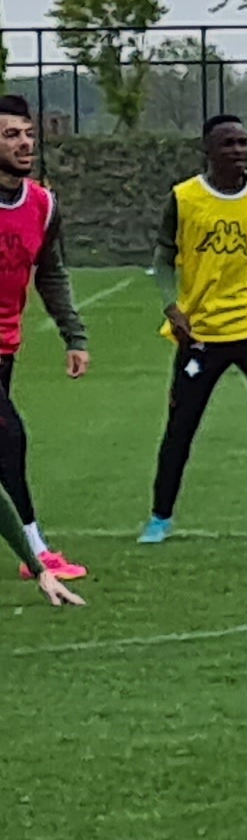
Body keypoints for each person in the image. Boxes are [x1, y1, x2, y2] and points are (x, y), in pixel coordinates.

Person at [145, 116, 247, 545]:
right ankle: (159, 519)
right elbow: (163, 256)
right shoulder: (185, 197)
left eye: (243, 142)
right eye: (228, 144)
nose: (239, 150)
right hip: (202, 333)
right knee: (181, 426)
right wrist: (171, 305)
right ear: (208, 150)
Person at [0, 95, 92, 584]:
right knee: (9, 437)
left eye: (28, 134)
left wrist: (74, 335)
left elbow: (51, 273)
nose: (25, 143)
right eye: (11, 135)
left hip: (5, 346)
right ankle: (36, 553)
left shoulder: (43, 204)